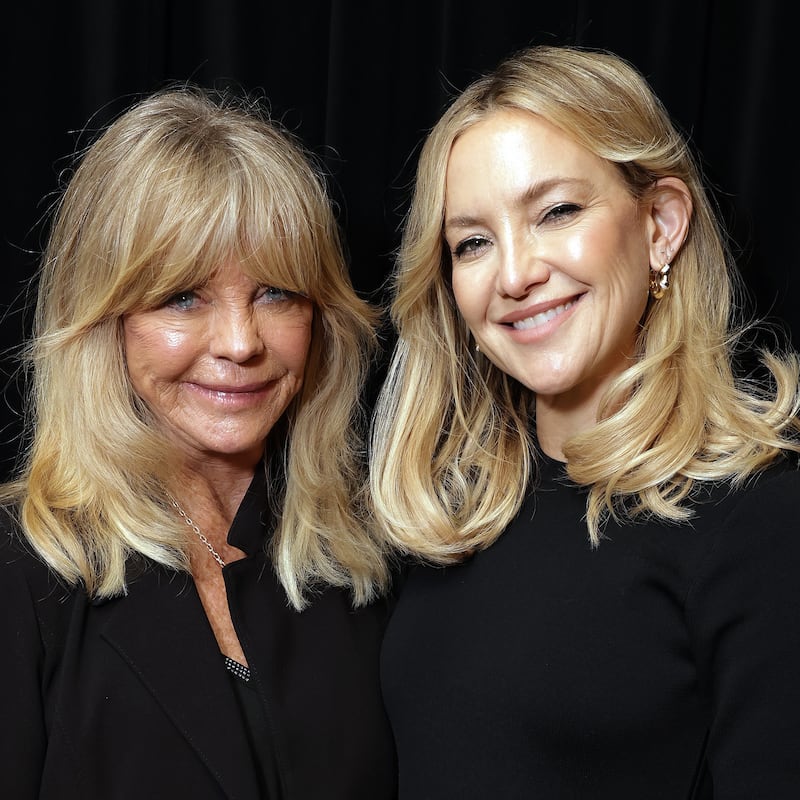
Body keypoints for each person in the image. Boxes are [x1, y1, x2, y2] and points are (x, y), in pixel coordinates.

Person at [370, 44, 800, 798]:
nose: (514, 275)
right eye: (473, 242)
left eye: (557, 212)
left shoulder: (760, 522)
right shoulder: (449, 511)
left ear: (660, 224)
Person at [0, 86, 396, 798]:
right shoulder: (18, 574)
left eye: (276, 293)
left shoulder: (373, 554)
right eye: (183, 297)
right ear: (103, 320)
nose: (241, 343)